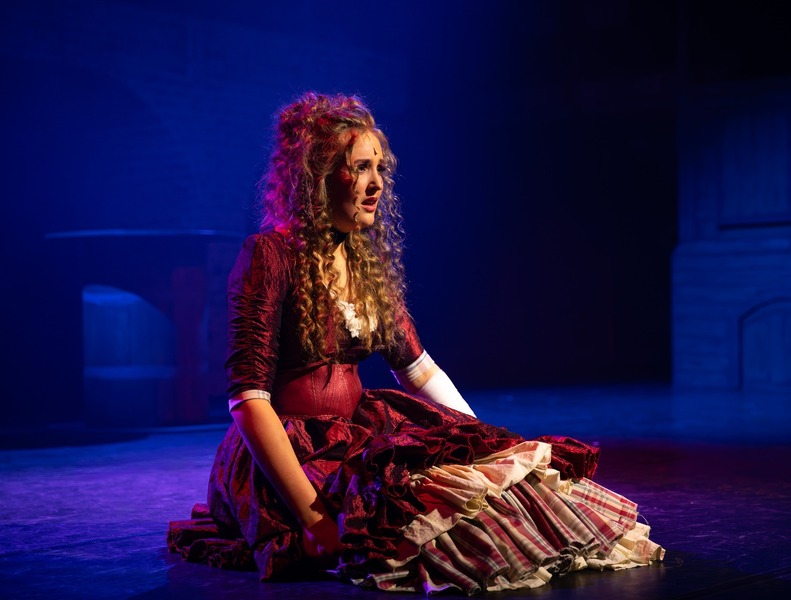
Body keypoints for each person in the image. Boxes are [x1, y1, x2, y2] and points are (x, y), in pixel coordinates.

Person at [167, 92, 663, 594]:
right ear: (317, 175)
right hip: (291, 452)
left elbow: (418, 368)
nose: (377, 183)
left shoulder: (363, 262)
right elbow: (248, 401)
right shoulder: (270, 256)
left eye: (379, 168)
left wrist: (487, 443)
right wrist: (313, 519)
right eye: (361, 168)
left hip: (356, 434)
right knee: (415, 528)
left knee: (486, 494)